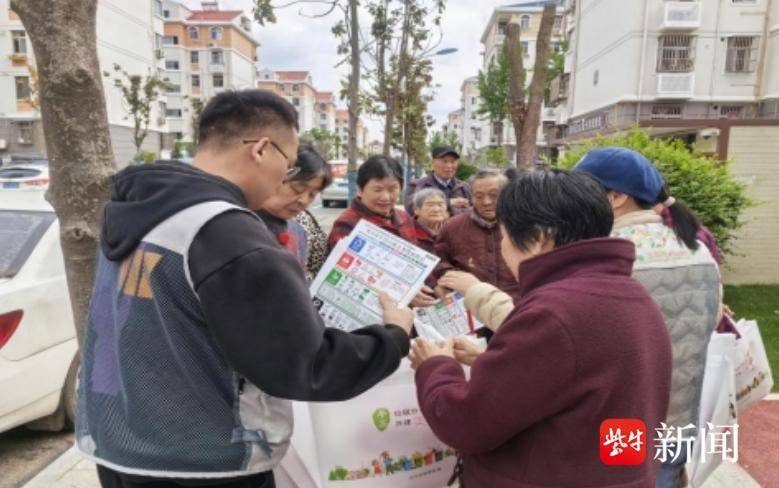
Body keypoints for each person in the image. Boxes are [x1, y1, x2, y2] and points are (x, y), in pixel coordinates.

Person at [76, 89, 414, 488]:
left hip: (119, 446)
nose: (283, 180)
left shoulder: (138, 211)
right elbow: (308, 366)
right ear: (261, 150)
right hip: (205, 464)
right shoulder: (229, 236)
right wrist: (393, 336)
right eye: (287, 164)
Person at [410, 169, 673, 487]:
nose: (504, 246)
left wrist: (436, 367)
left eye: (505, 235)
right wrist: (487, 362)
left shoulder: (552, 313)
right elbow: (574, 387)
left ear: (537, 239)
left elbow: (465, 423)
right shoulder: (632, 294)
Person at [575, 148, 721, 488]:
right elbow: (711, 322)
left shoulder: (603, 253)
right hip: (679, 419)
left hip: (621, 423)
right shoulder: (698, 251)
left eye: (583, 190)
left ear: (616, 198)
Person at [329, 155, 438, 307]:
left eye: (393, 189)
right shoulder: (347, 225)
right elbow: (347, 279)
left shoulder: (403, 218)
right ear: (360, 190)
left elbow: (424, 255)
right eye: (377, 189)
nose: (386, 197)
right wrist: (403, 294)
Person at [434, 169, 520, 296]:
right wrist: (450, 277)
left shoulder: (524, 226)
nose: (486, 202)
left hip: (517, 306)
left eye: (494, 195)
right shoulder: (452, 227)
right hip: (471, 305)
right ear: (471, 197)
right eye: (479, 196)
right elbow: (439, 261)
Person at [257, 142, 332, 281]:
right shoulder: (241, 225)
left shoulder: (299, 232)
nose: (304, 200)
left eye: (312, 195)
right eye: (297, 189)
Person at [404, 145, 471, 216]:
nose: (449, 166)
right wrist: (448, 202)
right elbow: (410, 207)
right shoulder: (417, 185)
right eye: (444, 161)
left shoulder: (464, 187)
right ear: (432, 163)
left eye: (453, 161)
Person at [410, 188, 449, 254]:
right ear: (416, 210)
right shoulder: (406, 230)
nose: (436, 210)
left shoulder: (453, 229)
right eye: (430, 205)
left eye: (440, 205)